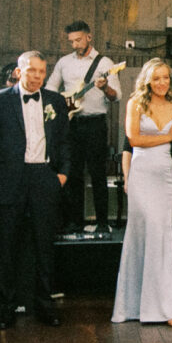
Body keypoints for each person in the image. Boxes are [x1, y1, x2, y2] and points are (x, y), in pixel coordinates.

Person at [0, 51, 70, 330]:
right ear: (19, 72)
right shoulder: (0, 99)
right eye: (32, 71)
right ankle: (6, 309)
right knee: (7, 246)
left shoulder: (54, 101)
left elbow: (66, 141)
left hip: (44, 178)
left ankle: (45, 306)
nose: (37, 77)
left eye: (42, 72)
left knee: (45, 246)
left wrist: (62, 176)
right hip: (10, 179)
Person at [113, 58, 172, 326]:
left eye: (166, 77)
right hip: (142, 174)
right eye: (156, 78)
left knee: (164, 236)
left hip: (166, 176)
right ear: (147, 80)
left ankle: (167, 308)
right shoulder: (136, 103)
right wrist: (167, 137)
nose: (162, 83)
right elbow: (133, 139)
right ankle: (133, 305)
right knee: (141, 236)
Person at [46, 21, 118, 237]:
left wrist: (105, 87)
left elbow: (117, 97)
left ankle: (103, 222)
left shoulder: (105, 63)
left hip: (95, 123)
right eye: (71, 41)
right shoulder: (64, 62)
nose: (75, 44)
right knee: (72, 174)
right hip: (71, 123)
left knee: (97, 174)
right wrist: (63, 101)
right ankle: (74, 222)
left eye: (78, 39)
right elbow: (50, 89)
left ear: (89, 37)